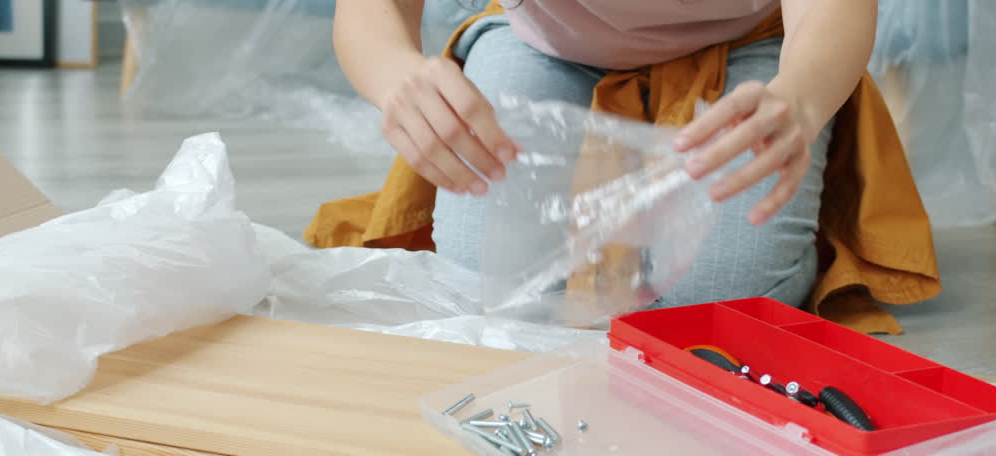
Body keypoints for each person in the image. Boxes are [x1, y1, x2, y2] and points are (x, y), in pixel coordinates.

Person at [329, 0, 880, 309]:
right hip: (545, 40)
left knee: (718, 301)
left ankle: (816, 233)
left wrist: (799, 100)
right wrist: (394, 72)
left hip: (751, 46)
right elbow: (373, 9)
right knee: (484, 281)